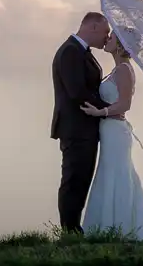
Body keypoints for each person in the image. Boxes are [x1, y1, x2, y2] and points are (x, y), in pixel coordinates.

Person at [77, 25, 143, 240]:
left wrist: (101, 112)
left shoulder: (125, 69)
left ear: (120, 45)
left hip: (116, 130)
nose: (107, 38)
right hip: (109, 130)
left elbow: (125, 104)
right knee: (111, 173)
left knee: (117, 175)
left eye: (112, 36)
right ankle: (109, 229)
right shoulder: (117, 69)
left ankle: (122, 229)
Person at [50, 12, 120, 235]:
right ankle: (70, 230)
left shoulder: (83, 53)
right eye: (105, 32)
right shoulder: (71, 51)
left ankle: (73, 228)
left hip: (85, 128)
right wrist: (106, 110)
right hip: (76, 127)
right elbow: (77, 91)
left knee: (81, 179)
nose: (107, 37)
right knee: (73, 179)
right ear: (93, 27)